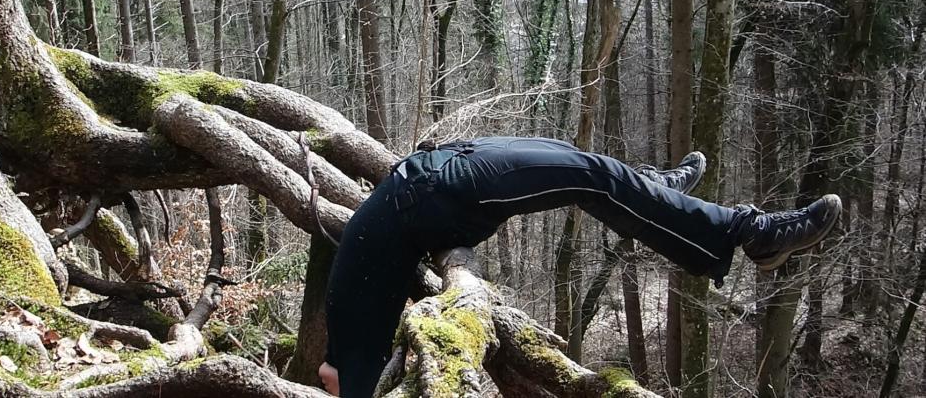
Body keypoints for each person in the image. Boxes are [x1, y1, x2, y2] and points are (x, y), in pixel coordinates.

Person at [318, 137, 841, 397]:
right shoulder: (350, 333)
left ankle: (644, 188)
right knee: (584, 174)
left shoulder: (349, 343)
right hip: (433, 190)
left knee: (580, 166)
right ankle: (751, 233)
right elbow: (333, 375)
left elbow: (331, 377)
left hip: (432, 182)